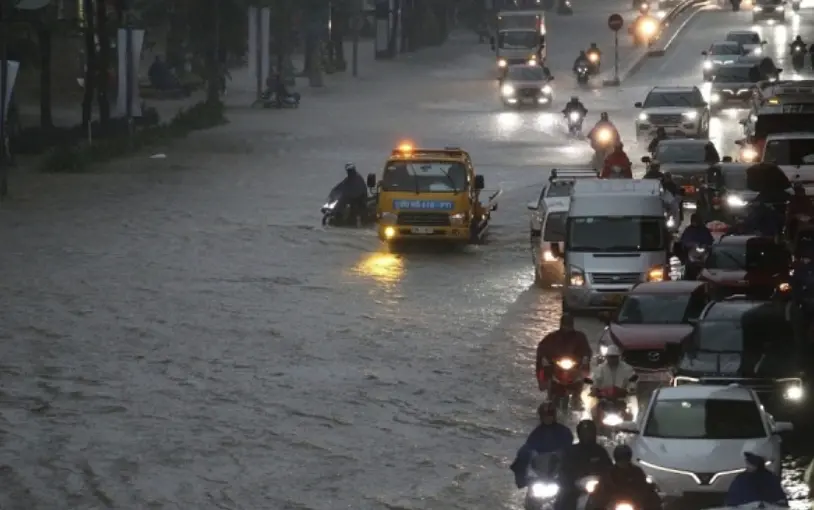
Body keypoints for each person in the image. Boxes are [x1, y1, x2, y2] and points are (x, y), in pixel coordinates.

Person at [510, 402, 575, 489]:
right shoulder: (536, 434)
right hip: (541, 471)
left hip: (559, 469)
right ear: (541, 417)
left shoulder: (564, 432)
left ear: (554, 416)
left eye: (550, 415)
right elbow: (527, 449)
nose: (548, 418)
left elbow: (570, 450)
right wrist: (521, 476)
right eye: (545, 415)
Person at [557, 420, 613, 510]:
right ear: (579, 434)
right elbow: (564, 470)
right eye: (584, 433)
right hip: (575, 489)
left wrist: (604, 480)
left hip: (598, 489)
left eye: (590, 433)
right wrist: (573, 482)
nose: (587, 436)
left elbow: (609, 468)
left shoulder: (600, 451)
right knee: (564, 500)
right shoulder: (571, 451)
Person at [589, 445, 661, 510]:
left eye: (625, 459)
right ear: (616, 459)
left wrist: (648, 491)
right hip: (613, 503)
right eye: (620, 459)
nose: (623, 462)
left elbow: (643, 486)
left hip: (634, 502)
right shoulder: (609, 473)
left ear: (629, 459)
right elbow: (601, 489)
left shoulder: (637, 472)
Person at [536, 313, 592, 391]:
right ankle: (548, 391)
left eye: (569, 325)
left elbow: (586, 350)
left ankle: (577, 395)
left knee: (582, 374)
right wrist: (544, 357)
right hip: (556, 366)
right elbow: (542, 348)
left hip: (574, 366)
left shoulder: (580, 337)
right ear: (561, 325)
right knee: (545, 370)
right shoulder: (552, 337)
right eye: (565, 325)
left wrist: (585, 357)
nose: (567, 327)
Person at [587, 345, 637, 421]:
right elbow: (595, 381)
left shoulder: (627, 369)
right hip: (604, 400)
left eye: (614, 357)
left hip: (622, 400)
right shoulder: (600, 369)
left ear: (618, 357)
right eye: (610, 357)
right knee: (593, 412)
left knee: (632, 413)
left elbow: (633, 381)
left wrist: (629, 389)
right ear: (606, 357)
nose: (612, 359)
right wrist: (594, 389)